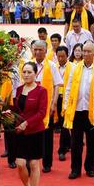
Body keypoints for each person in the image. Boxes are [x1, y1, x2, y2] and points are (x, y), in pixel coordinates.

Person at [63, 42, 94, 179]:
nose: (86, 54)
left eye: (89, 51)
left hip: (92, 110)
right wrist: (65, 106)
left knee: (92, 141)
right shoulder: (75, 68)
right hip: (76, 110)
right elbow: (68, 88)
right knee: (75, 142)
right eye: (85, 51)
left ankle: (90, 167)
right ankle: (75, 169)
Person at [12, 61, 48, 186]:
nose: (26, 75)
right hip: (20, 132)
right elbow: (16, 109)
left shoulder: (41, 91)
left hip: (35, 131)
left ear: (35, 73)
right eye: (24, 72)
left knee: (34, 164)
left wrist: (26, 123)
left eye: (29, 72)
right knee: (20, 164)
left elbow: (42, 113)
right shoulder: (19, 89)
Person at [32, 40, 63, 173]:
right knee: (31, 134)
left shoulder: (51, 66)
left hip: (46, 104)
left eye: (40, 50)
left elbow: (57, 85)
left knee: (47, 135)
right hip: (31, 104)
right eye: (36, 49)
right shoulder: (28, 65)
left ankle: (47, 163)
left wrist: (54, 103)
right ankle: (31, 160)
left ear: (46, 51)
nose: (38, 52)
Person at [55, 46, 72, 160]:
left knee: (65, 124)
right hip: (56, 98)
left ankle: (62, 149)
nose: (60, 59)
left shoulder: (73, 68)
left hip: (68, 98)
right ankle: (67, 144)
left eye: (63, 56)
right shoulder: (53, 67)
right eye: (59, 56)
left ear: (67, 56)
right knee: (61, 124)